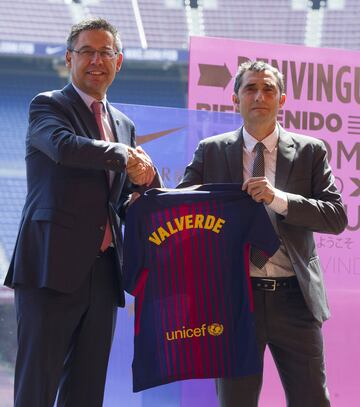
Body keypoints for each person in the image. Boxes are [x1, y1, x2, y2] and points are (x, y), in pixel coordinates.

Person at [4, 18, 162, 407]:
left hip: (104, 274)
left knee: (86, 390)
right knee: (37, 387)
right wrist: (124, 156)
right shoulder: (47, 105)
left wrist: (144, 189)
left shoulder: (123, 124)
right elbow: (63, 147)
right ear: (69, 58)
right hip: (50, 268)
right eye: (86, 52)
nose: (96, 60)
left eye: (105, 52)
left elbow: (121, 199)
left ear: (119, 62)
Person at [177, 60, 347, 407]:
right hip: (235, 300)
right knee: (235, 402)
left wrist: (278, 198)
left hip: (295, 298)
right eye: (250, 88)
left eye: (268, 89)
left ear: (282, 99)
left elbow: (336, 216)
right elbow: (180, 209)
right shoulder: (210, 150)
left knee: (312, 400)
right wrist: (145, 195)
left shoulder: (310, 151)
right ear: (235, 98)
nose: (260, 95)